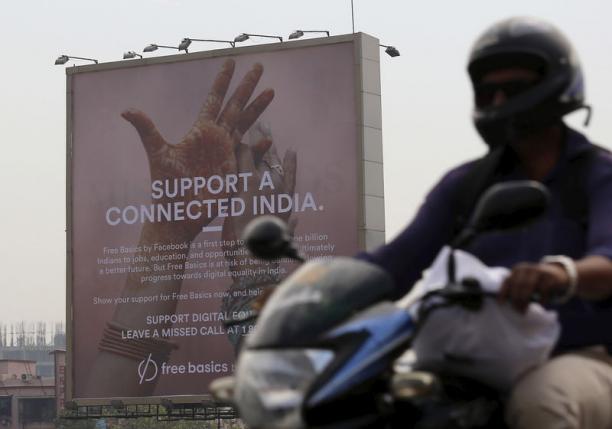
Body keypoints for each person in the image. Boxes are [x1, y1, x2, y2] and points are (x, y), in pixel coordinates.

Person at [362, 16, 612, 429]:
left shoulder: (598, 175)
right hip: (478, 364)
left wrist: (561, 274)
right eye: (487, 90)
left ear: (557, 85)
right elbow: (395, 264)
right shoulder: (466, 185)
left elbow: (608, 261)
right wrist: (311, 295)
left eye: (513, 89)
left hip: (587, 357)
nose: (497, 101)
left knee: (541, 401)